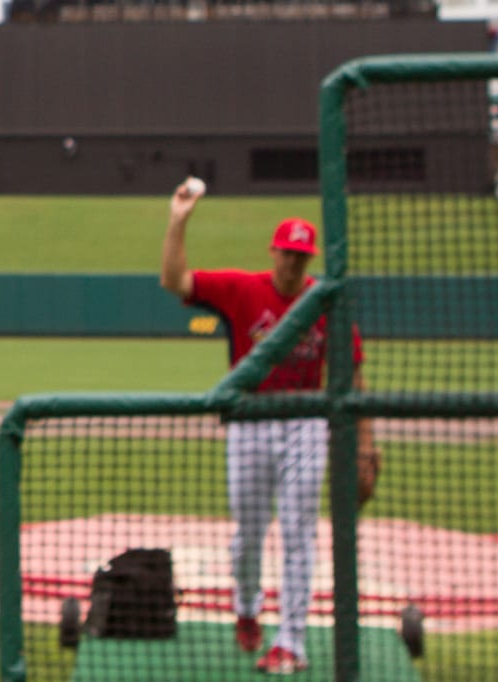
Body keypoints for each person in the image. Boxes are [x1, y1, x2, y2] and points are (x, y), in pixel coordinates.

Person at [158, 182, 377, 676]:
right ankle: (246, 604)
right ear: (273, 253)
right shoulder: (242, 289)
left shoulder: (326, 302)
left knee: (300, 530)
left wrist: (366, 446)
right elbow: (175, 281)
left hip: (304, 421)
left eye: (303, 256)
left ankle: (291, 641)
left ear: (310, 258)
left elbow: (356, 373)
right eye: (287, 254)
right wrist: (178, 220)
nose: (294, 264)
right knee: (249, 533)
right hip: (251, 420)